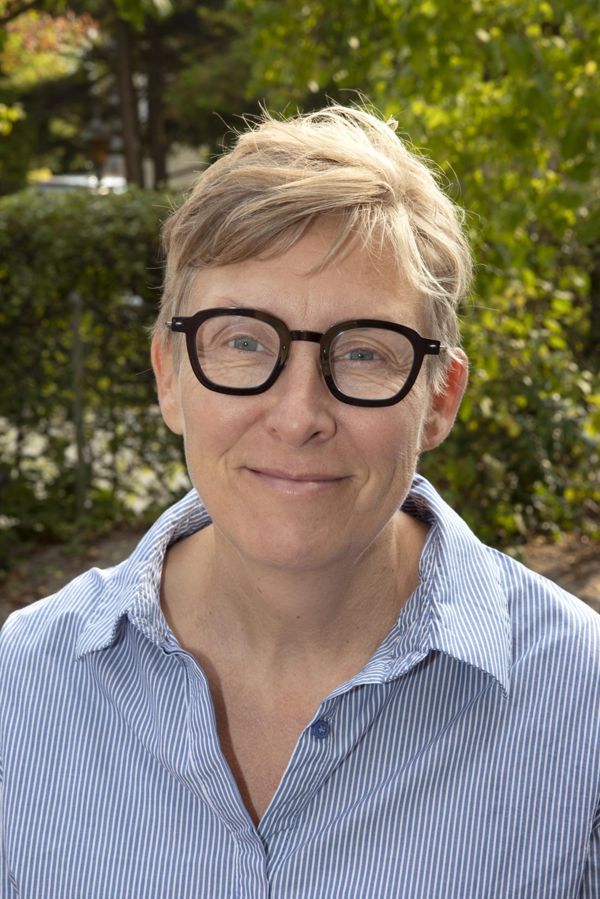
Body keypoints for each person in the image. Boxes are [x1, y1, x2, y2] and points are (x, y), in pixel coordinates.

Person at [1, 105, 598, 899]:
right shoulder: (22, 688)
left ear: (440, 398)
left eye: (364, 353)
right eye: (244, 340)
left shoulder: (580, 703)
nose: (298, 416)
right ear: (169, 375)